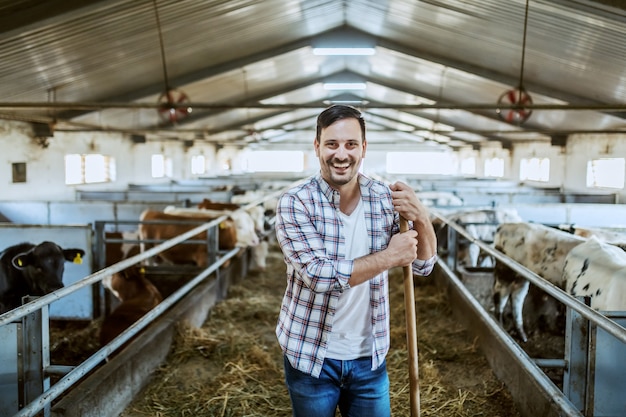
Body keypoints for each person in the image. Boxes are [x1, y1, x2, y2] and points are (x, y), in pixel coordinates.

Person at [274, 104, 437, 417]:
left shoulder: (384, 198)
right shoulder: (295, 202)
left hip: (369, 356)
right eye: (332, 144)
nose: (341, 154)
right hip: (310, 356)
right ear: (317, 146)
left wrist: (421, 216)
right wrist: (389, 256)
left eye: (350, 144)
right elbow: (319, 277)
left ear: (363, 148)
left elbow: (423, 265)